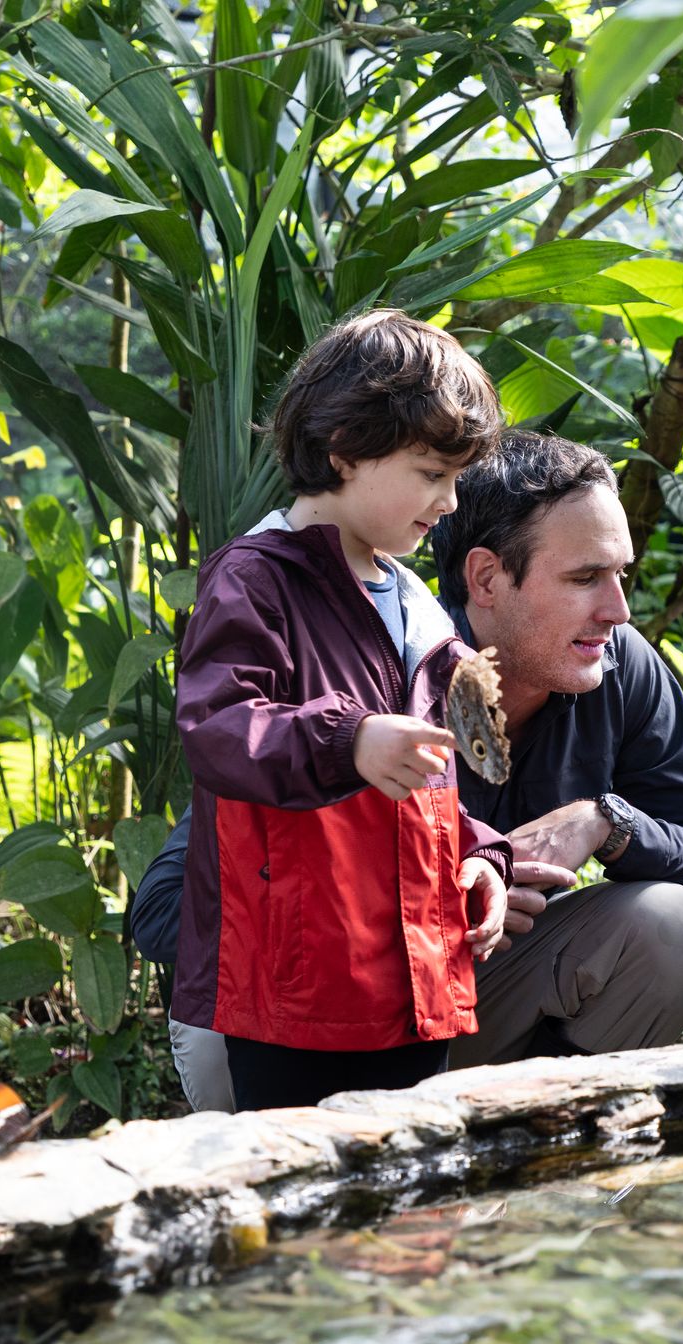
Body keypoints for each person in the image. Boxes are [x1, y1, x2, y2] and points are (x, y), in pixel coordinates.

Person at [133, 429, 683, 1109]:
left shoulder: (618, 664)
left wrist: (605, 823)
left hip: (481, 1004)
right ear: (486, 579)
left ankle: (545, 1153)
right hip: (317, 1016)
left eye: (621, 575)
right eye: (584, 579)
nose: (619, 609)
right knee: (223, 1039)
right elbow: (163, 911)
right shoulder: (389, 661)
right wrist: (433, 907)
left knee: (671, 925)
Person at [169, 309, 510, 1112]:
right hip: (299, 987)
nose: (449, 501)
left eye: (456, 478)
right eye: (431, 473)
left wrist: (481, 857)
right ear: (346, 450)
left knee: (414, 1171)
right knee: (302, 1175)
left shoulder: (416, 602)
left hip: (413, 977)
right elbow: (218, 727)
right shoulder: (256, 579)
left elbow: (428, 778)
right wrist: (347, 738)